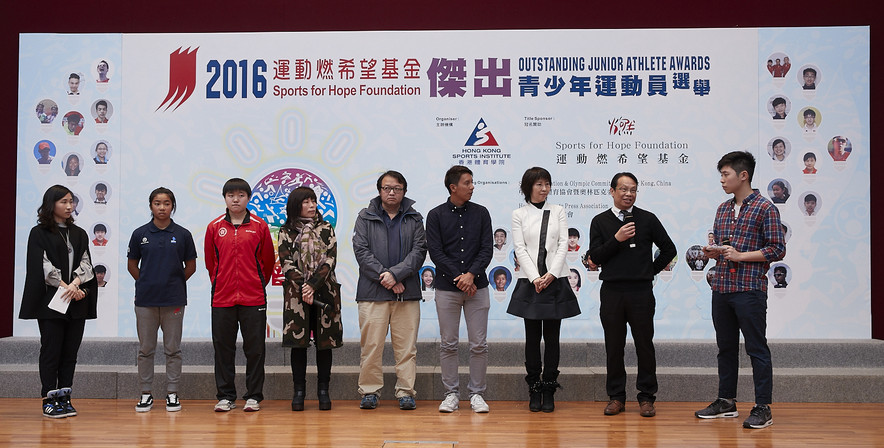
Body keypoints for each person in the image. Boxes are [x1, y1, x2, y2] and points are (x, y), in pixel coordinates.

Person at [696, 151, 785, 429]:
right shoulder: (722, 209)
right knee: (725, 348)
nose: (722, 180)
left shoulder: (766, 208)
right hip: (721, 287)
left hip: (749, 289)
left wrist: (741, 255)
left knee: (756, 348)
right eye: (721, 175)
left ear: (743, 175)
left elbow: (778, 249)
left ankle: (762, 407)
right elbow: (725, 248)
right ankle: (726, 401)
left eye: (726, 174)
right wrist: (714, 252)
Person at [589, 172, 676, 418]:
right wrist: (617, 239)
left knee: (644, 346)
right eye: (624, 189)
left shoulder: (647, 219)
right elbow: (595, 257)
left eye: (633, 189)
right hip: (612, 292)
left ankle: (646, 398)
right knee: (613, 346)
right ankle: (616, 397)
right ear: (612, 191)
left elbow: (669, 250)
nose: (629, 194)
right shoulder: (600, 221)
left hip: (641, 292)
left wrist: (650, 271)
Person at [507, 167, 580, 412]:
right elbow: (519, 248)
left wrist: (550, 274)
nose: (544, 188)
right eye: (539, 184)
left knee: (552, 338)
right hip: (530, 282)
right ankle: (534, 388)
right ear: (527, 187)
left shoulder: (558, 211)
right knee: (531, 338)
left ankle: (549, 388)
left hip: (555, 280)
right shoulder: (519, 214)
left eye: (547, 184)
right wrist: (536, 277)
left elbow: (562, 244)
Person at [20, 185, 97, 418]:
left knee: (70, 352)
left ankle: (65, 396)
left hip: (77, 300)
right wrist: (67, 287)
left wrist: (75, 285)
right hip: (51, 303)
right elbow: (43, 267)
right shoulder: (39, 233)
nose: (69, 206)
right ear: (51, 204)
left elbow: (86, 265)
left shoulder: (80, 233)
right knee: (51, 350)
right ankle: (49, 398)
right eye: (63, 201)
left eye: (71, 201)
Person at [353, 170, 427, 411]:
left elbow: (419, 251)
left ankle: (406, 391)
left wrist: (396, 274)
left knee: (406, 347)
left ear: (404, 191)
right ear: (379, 190)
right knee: (371, 346)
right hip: (372, 292)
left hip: (407, 292)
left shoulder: (415, 218)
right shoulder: (365, 217)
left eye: (396, 188)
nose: (392, 192)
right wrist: (387, 277)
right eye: (387, 188)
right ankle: (370, 391)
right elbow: (362, 252)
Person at [426, 165, 493, 414]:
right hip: (447, 288)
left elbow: (487, 248)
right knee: (448, 344)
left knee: (479, 344)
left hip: (478, 287)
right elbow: (436, 252)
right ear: (453, 187)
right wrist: (459, 277)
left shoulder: (482, 213)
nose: (472, 187)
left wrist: (471, 275)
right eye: (467, 183)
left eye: (472, 182)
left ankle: (476, 394)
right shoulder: (435, 215)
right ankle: (451, 393)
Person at [204, 178, 275, 412]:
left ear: (248, 198)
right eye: (231, 195)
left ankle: (254, 395)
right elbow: (210, 263)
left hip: (253, 297)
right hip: (222, 298)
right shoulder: (214, 227)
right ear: (225, 198)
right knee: (223, 348)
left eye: (241, 195)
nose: (236, 199)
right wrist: (221, 282)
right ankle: (225, 396)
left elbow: (267, 262)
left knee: (255, 349)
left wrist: (255, 283)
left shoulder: (259, 226)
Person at [127, 187, 197, 413]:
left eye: (166, 203)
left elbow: (191, 266)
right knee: (146, 349)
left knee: (172, 349)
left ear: (172, 206)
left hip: (174, 300)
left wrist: (173, 283)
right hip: (146, 301)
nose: (162, 207)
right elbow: (132, 265)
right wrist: (147, 282)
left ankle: (172, 394)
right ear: (150, 206)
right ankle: (145, 393)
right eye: (157, 203)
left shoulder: (183, 234)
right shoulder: (140, 234)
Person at [278, 187, 343, 412]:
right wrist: (304, 287)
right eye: (306, 201)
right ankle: (299, 392)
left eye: (313, 201)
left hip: (325, 291)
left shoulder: (326, 228)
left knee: (324, 344)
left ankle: (323, 392)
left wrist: (313, 285)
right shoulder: (286, 231)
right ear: (296, 205)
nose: (312, 205)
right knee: (299, 344)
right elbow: (286, 263)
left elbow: (330, 260)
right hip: (297, 294)